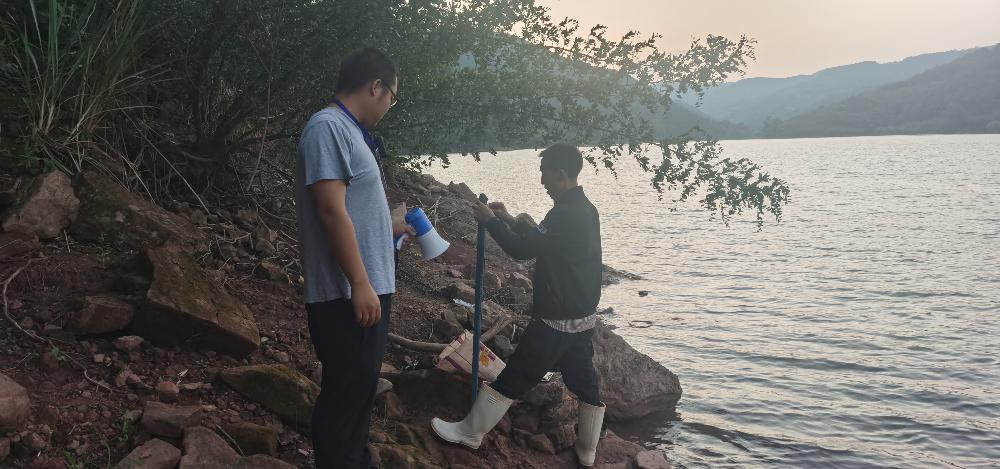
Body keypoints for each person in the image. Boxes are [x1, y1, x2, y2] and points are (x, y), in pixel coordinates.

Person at [430, 143, 606, 467]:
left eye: (544, 174)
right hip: (582, 319)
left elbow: (522, 250)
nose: (542, 181)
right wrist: (509, 219)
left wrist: (491, 222)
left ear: (561, 174)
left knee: (516, 375)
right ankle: (588, 450)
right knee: (584, 382)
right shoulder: (585, 209)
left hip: (555, 321)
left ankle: (470, 432)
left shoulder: (565, 213)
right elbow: (546, 241)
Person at [293, 47, 413, 468]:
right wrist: (360, 283)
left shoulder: (348, 131)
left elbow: (352, 210)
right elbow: (330, 210)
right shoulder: (327, 128)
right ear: (376, 86)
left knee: (358, 393)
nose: (389, 106)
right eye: (392, 96)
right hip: (346, 295)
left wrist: (389, 227)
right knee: (344, 399)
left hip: (365, 289)